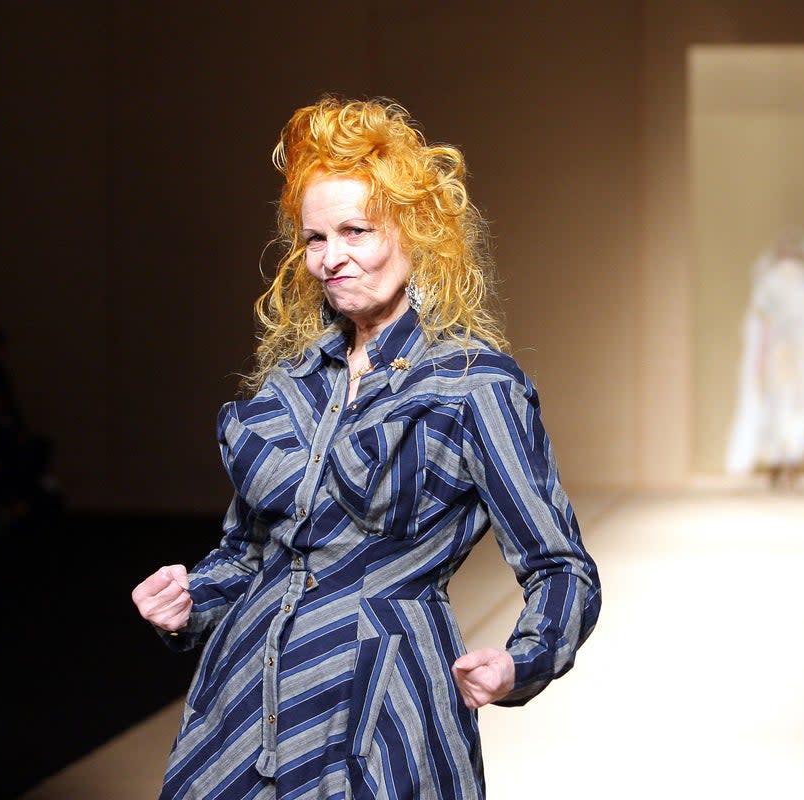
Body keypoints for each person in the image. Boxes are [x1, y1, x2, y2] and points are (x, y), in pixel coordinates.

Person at [131, 96, 601, 799]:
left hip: (385, 709)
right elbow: (252, 552)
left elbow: (560, 565)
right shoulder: (291, 387)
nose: (333, 258)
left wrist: (520, 662)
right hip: (245, 704)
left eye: (356, 230)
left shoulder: (475, 387)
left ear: (418, 231)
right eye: (316, 238)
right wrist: (189, 599)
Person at [724, 225, 804, 488]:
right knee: (785, 405)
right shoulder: (790, 280)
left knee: (789, 405)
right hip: (789, 357)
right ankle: (784, 461)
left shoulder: (802, 281)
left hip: (795, 357)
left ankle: (787, 461)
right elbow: (763, 320)